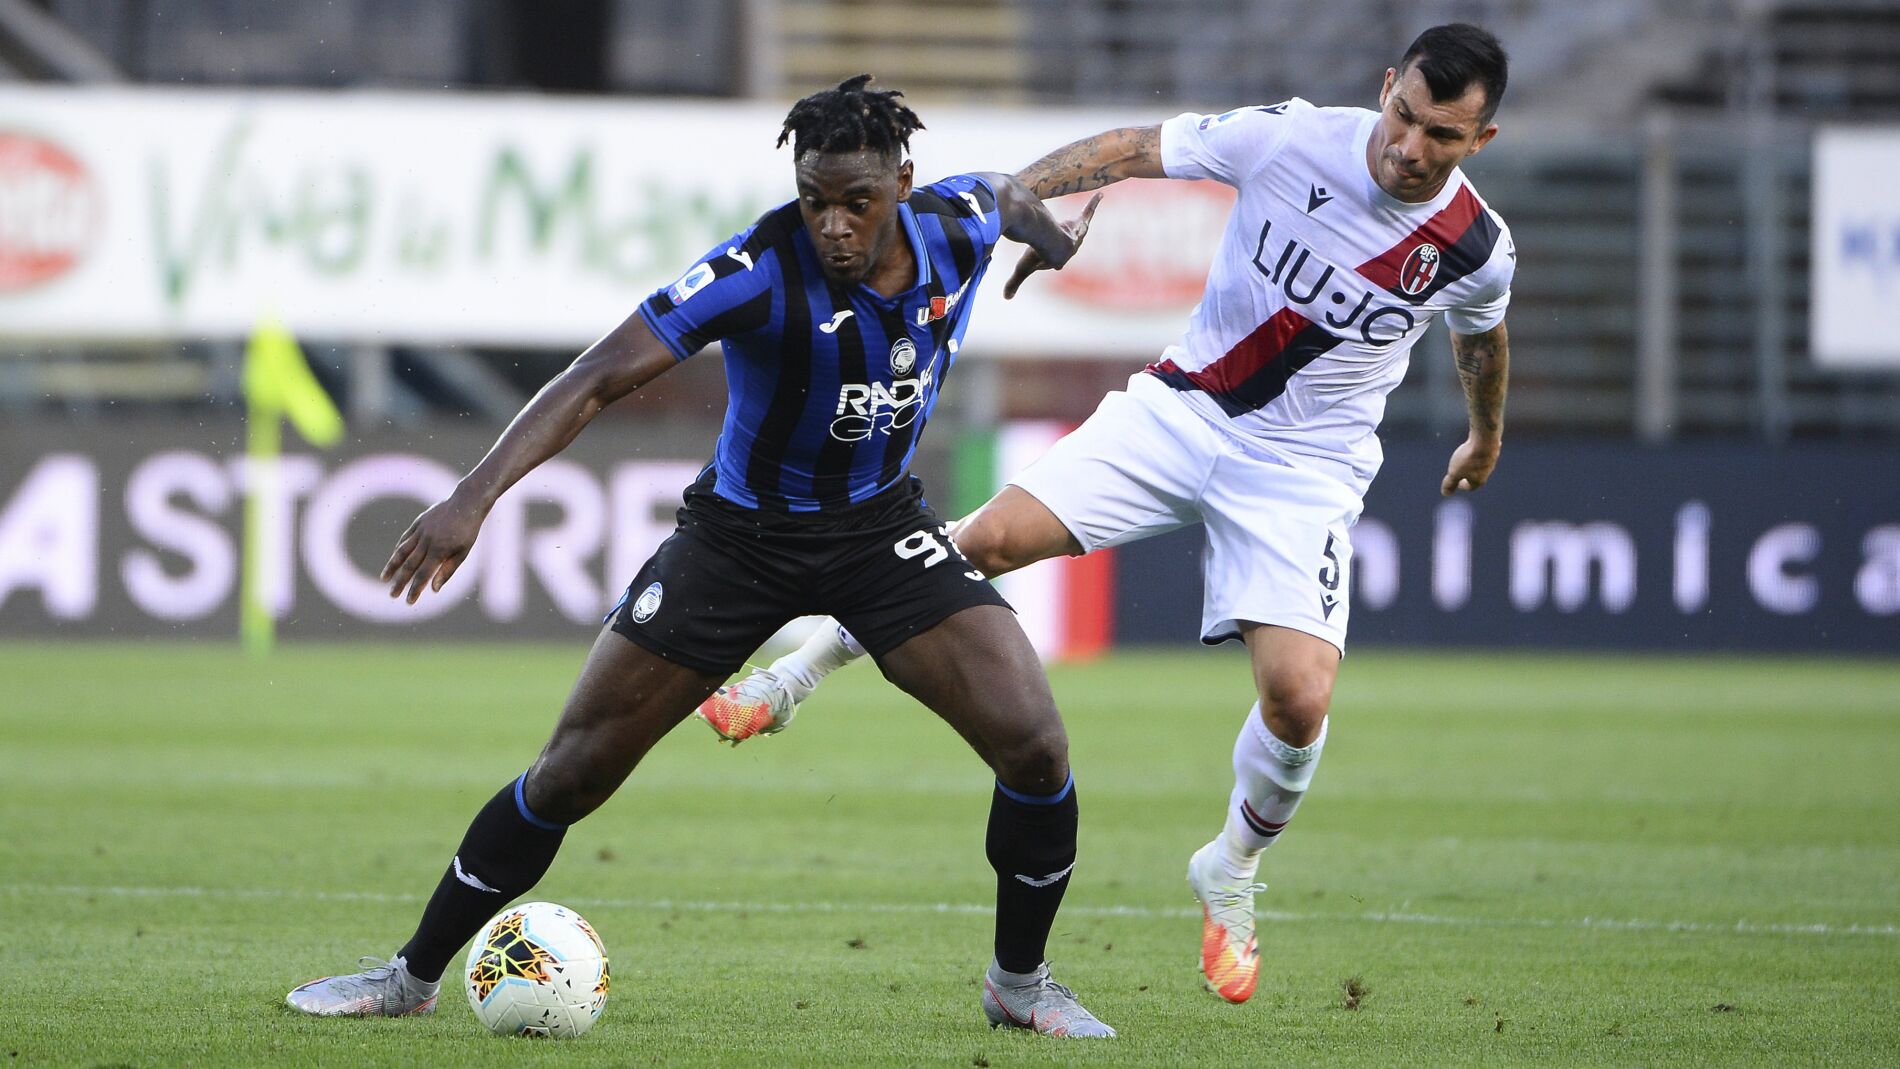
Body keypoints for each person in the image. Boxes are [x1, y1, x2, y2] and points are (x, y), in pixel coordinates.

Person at [698, 25, 1517, 1007]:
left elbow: (1481, 338)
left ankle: (1230, 868)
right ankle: (795, 672)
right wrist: (1027, 208)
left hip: (1302, 472)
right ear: (1386, 87)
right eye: (1403, 116)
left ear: (1480, 140)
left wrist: (1484, 435)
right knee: (989, 538)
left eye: (1440, 135)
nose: (1409, 147)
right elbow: (1131, 148)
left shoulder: (1478, 249)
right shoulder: (1293, 138)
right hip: (1181, 411)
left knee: (1299, 700)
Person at [285, 75, 1117, 1039]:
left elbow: (1010, 193)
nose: (834, 225)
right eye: (814, 200)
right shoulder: (755, 270)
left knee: (1036, 745)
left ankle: (1020, 982)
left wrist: (1052, 241)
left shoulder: (959, 222)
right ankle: (410, 975)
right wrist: (474, 495)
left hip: (879, 532)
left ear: (902, 182)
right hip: (737, 542)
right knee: (570, 774)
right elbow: (597, 376)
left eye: (857, 201)